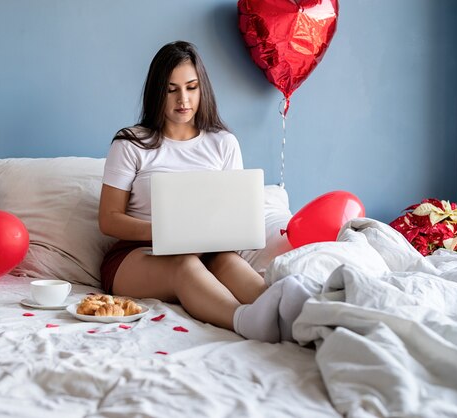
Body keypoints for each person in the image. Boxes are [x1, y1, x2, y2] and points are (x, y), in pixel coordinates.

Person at [98, 41, 310, 343]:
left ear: (202, 89)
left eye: (191, 87)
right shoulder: (131, 143)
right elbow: (108, 220)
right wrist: (169, 233)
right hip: (137, 254)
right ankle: (244, 320)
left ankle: (294, 315)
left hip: (209, 250)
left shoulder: (223, 143)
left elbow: (234, 215)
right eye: (171, 90)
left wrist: (204, 237)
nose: (182, 99)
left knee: (228, 261)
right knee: (184, 264)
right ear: (157, 92)